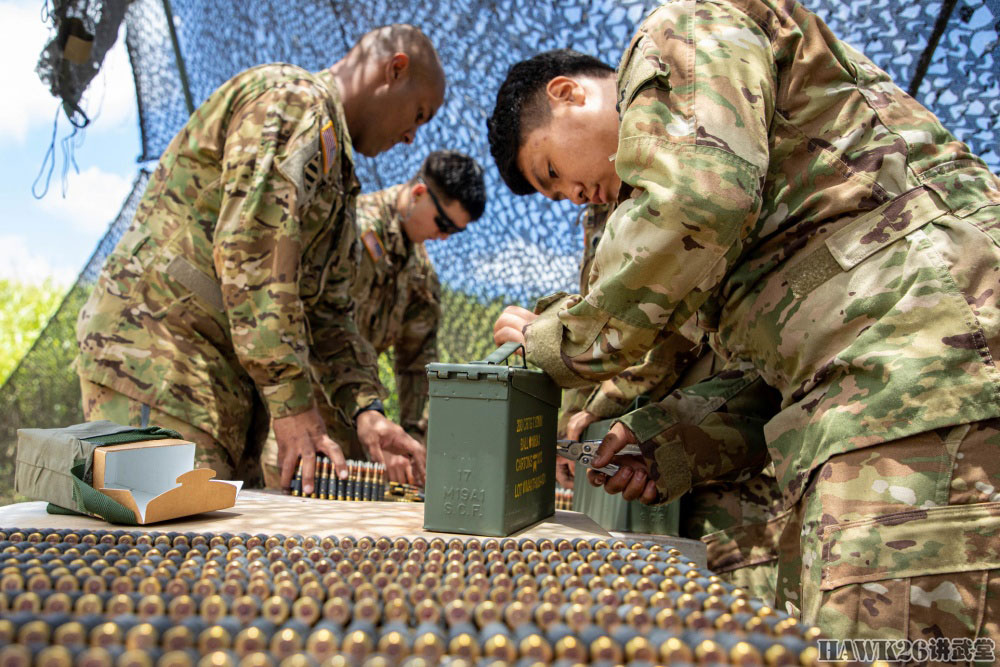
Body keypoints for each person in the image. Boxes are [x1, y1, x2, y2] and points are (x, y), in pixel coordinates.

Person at [487, 0, 1000, 642]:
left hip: (923, 377)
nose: (574, 196)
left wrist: (560, 343)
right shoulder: (784, 222)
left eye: (552, 172)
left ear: (567, 95)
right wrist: (671, 436)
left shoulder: (683, 29)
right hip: (905, 384)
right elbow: (778, 360)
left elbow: (696, 202)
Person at [77, 24, 444, 498]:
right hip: (157, 362)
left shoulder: (337, 183)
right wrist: (292, 404)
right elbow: (252, 251)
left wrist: (367, 413)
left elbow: (330, 315)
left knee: (217, 556)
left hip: (217, 387)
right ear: (395, 70)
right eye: (419, 113)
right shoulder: (295, 101)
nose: (414, 136)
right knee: (168, 548)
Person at [560, 203, 787, 604]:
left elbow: (661, 334)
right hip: (682, 451)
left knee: (736, 607)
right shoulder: (610, 204)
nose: (576, 194)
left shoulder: (679, 192)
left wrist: (609, 403)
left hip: (733, 468)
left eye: (554, 176)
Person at [260, 150, 487, 487]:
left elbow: (417, 367)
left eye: (456, 231)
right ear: (419, 194)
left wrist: (411, 444)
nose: (444, 237)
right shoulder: (349, 229)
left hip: (361, 421)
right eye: (444, 224)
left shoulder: (421, 276)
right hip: (301, 414)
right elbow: (302, 319)